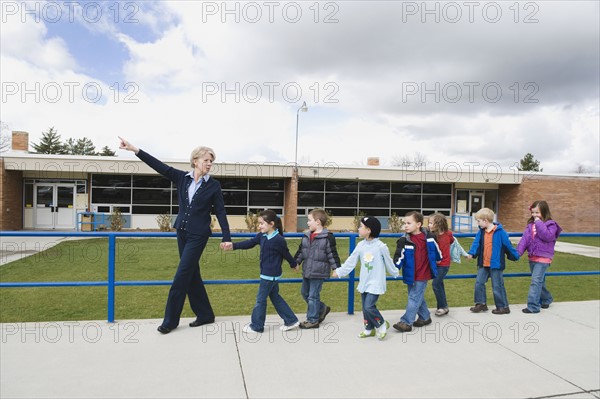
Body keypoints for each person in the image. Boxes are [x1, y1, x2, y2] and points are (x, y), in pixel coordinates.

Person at [118, 137, 232, 334]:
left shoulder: (213, 186)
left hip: (198, 236)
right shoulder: (182, 178)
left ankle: (170, 321)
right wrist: (135, 150)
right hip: (182, 232)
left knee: (181, 276)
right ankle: (205, 314)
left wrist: (226, 237)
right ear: (195, 161)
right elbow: (159, 166)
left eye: (211, 161)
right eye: (206, 160)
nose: (210, 164)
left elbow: (220, 211)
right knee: (191, 274)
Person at [223, 210, 300, 333]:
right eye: (259, 224)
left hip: (270, 275)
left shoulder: (278, 239)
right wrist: (232, 246)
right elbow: (250, 243)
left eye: (261, 224)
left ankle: (257, 326)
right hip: (268, 275)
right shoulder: (262, 236)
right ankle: (291, 320)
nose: (259, 226)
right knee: (275, 297)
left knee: (260, 300)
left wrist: (294, 264)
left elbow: (286, 253)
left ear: (271, 224)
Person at [333, 216, 399, 340]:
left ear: (368, 230)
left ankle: (381, 324)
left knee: (369, 306)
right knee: (365, 307)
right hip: (365, 281)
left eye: (361, 227)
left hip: (376, 282)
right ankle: (369, 328)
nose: (358, 229)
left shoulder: (381, 246)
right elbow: (351, 261)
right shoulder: (361, 245)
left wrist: (395, 272)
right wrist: (340, 272)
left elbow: (389, 262)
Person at [393, 211, 441, 332]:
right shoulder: (404, 240)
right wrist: (395, 267)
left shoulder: (429, 237)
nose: (406, 226)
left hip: (423, 274)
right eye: (405, 223)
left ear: (419, 224)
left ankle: (406, 322)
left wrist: (439, 259)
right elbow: (399, 256)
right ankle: (425, 317)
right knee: (415, 296)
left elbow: (436, 250)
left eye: (409, 223)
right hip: (410, 274)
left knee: (414, 297)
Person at [294, 209, 341, 329]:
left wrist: (336, 269)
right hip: (307, 271)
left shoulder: (327, 238)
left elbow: (332, 254)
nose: (307, 223)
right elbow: (301, 250)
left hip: (319, 272)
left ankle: (312, 320)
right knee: (305, 293)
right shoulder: (306, 236)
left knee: (313, 296)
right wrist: (296, 262)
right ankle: (322, 308)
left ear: (318, 222)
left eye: (309, 220)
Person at [467, 207, 519, 315]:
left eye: (478, 221)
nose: (477, 223)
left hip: (496, 264)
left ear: (485, 220)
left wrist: (515, 255)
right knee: (479, 283)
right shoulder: (481, 232)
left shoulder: (501, 232)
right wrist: (471, 253)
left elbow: (507, 245)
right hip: (483, 264)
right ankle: (481, 303)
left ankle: (503, 307)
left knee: (497, 286)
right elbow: (476, 243)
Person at [517, 201, 562, 313]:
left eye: (537, 212)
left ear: (544, 212)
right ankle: (547, 298)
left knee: (535, 281)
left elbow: (547, 236)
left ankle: (533, 307)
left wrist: (538, 223)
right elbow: (524, 240)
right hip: (532, 257)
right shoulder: (530, 226)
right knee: (539, 281)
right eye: (533, 213)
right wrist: (517, 253)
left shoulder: (551, 225)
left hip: (544, 258)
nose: (534, 215)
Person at [428, 213, 454, 316]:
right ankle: (442, 306)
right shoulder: (432, 236)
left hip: (444, 264)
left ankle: (443, 307)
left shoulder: (448, 234)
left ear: (438, 224)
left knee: (436, 284)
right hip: (436, 264)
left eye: (431, 223)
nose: (429, 225)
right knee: (439, 284)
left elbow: (451, 241)